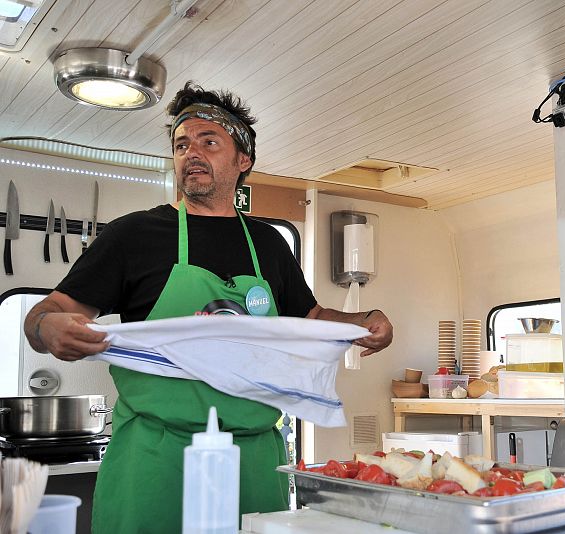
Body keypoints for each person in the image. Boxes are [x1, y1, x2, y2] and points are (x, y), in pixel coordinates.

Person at [23, 81, 393, 534]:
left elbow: (310, 316)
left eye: (208, 141)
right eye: (181, 144)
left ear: (243, 160)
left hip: (253, 456)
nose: (190, 153)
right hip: (156, 456)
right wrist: (47, 329)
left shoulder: (268, 243)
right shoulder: (133, 236)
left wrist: (362, 322)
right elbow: (47, 312)